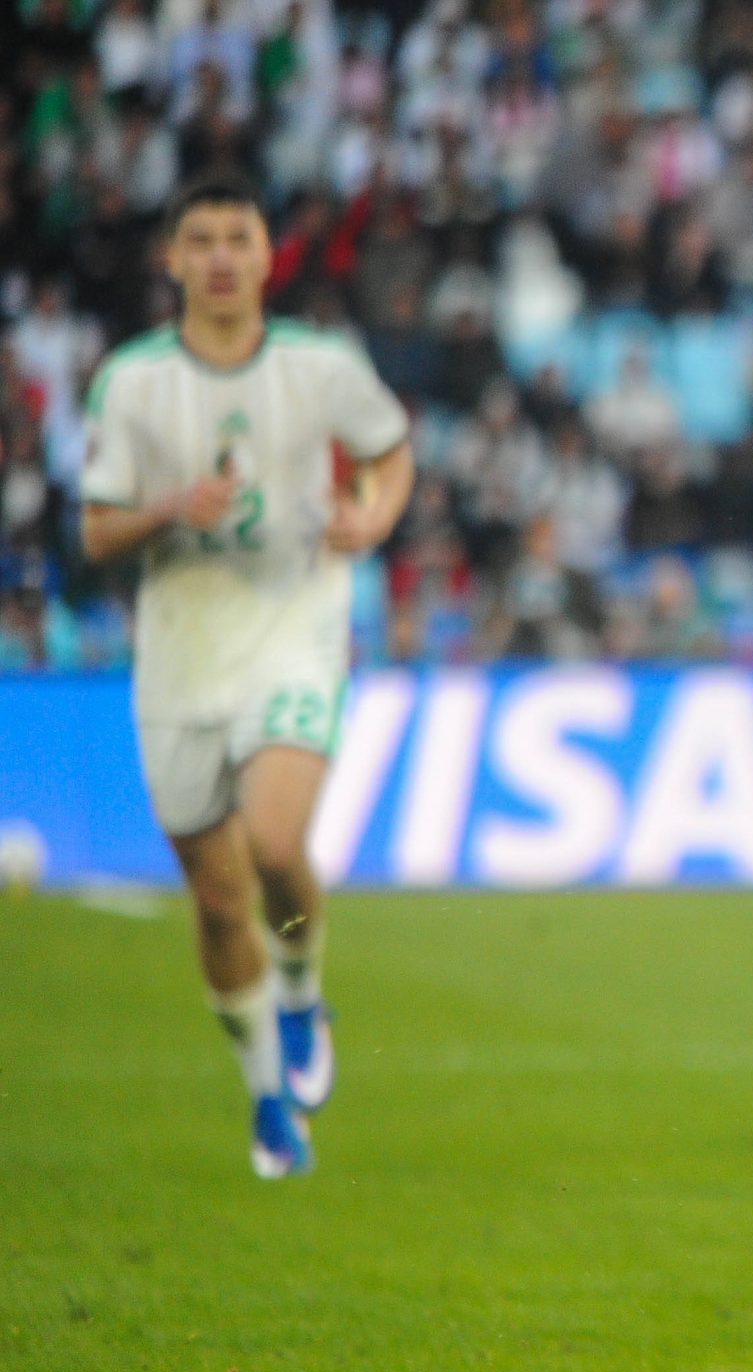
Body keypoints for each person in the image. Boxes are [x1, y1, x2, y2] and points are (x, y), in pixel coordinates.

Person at [78, 176, 415, 1178]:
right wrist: (171, 506)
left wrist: (377, 517)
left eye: (239, 238)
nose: (221, 256)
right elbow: (96, 531)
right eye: (201, 240)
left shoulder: (321, 367)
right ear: (172, 261)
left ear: (270, 258)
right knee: (219, 904)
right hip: (180, 657)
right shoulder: (131, 382)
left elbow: (390, 453)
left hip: (294, 632)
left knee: (274, 844)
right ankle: (269, 1094)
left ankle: (305, 987)